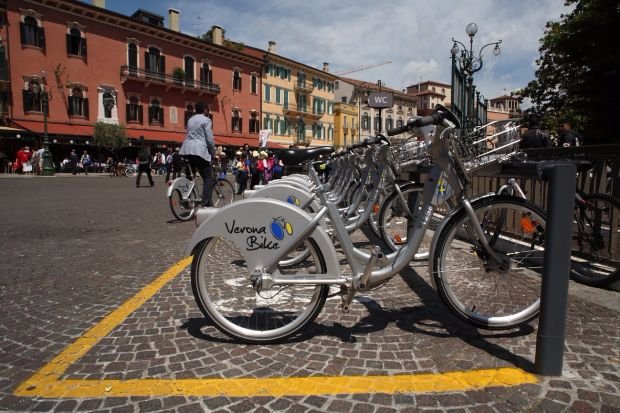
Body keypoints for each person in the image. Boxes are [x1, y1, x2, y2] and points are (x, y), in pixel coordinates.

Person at [179, 101, 216, 207]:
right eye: (207, 109)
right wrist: (212, 152)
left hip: (186, 149)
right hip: (199, 150)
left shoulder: (190, 119)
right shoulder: (206, 120)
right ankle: (206, 203)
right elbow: (209, 139)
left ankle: (185, 200)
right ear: (205, 109)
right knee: (208, 177)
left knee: (190, 176)